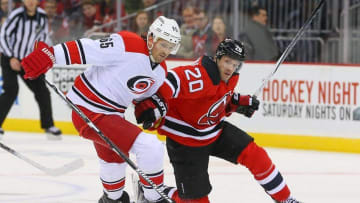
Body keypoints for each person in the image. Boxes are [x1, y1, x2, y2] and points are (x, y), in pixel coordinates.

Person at [21, 16, 181, 203]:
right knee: (150, 147)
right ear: (152, 38)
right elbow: (89, 49)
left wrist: (147, 106)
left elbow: (141, 96)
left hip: (112, 117)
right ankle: (153, 197)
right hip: (89, 112)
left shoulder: (161, 71)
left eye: (171, 47)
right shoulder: (128, 43)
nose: (166, 51)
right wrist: (51, 54)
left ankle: (112, 199)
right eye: (164, 44)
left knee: (114, 161)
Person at [134, 39, 301, 203]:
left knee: (256, 155)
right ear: (217, 58)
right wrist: (152, 104)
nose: (231, 68)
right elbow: (172, 80)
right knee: (196, 200)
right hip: (186, 142)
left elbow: (216, 100)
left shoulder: (231, 77)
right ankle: (156, 192)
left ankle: (286, 199)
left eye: (235, 64)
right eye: (227, 61)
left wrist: (238, 103)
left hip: (214, 131)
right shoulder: (199, 75)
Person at [0, 0, 61, 139]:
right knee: (11, 90)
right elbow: (3, 35)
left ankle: (48, 125)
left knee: (42, 91)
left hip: (27, 61)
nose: (31, 2)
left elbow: (43, 37)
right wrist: (11, 57)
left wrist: (41, 57)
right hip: (10, 59)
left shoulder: (42, 16)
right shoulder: (16, 15)